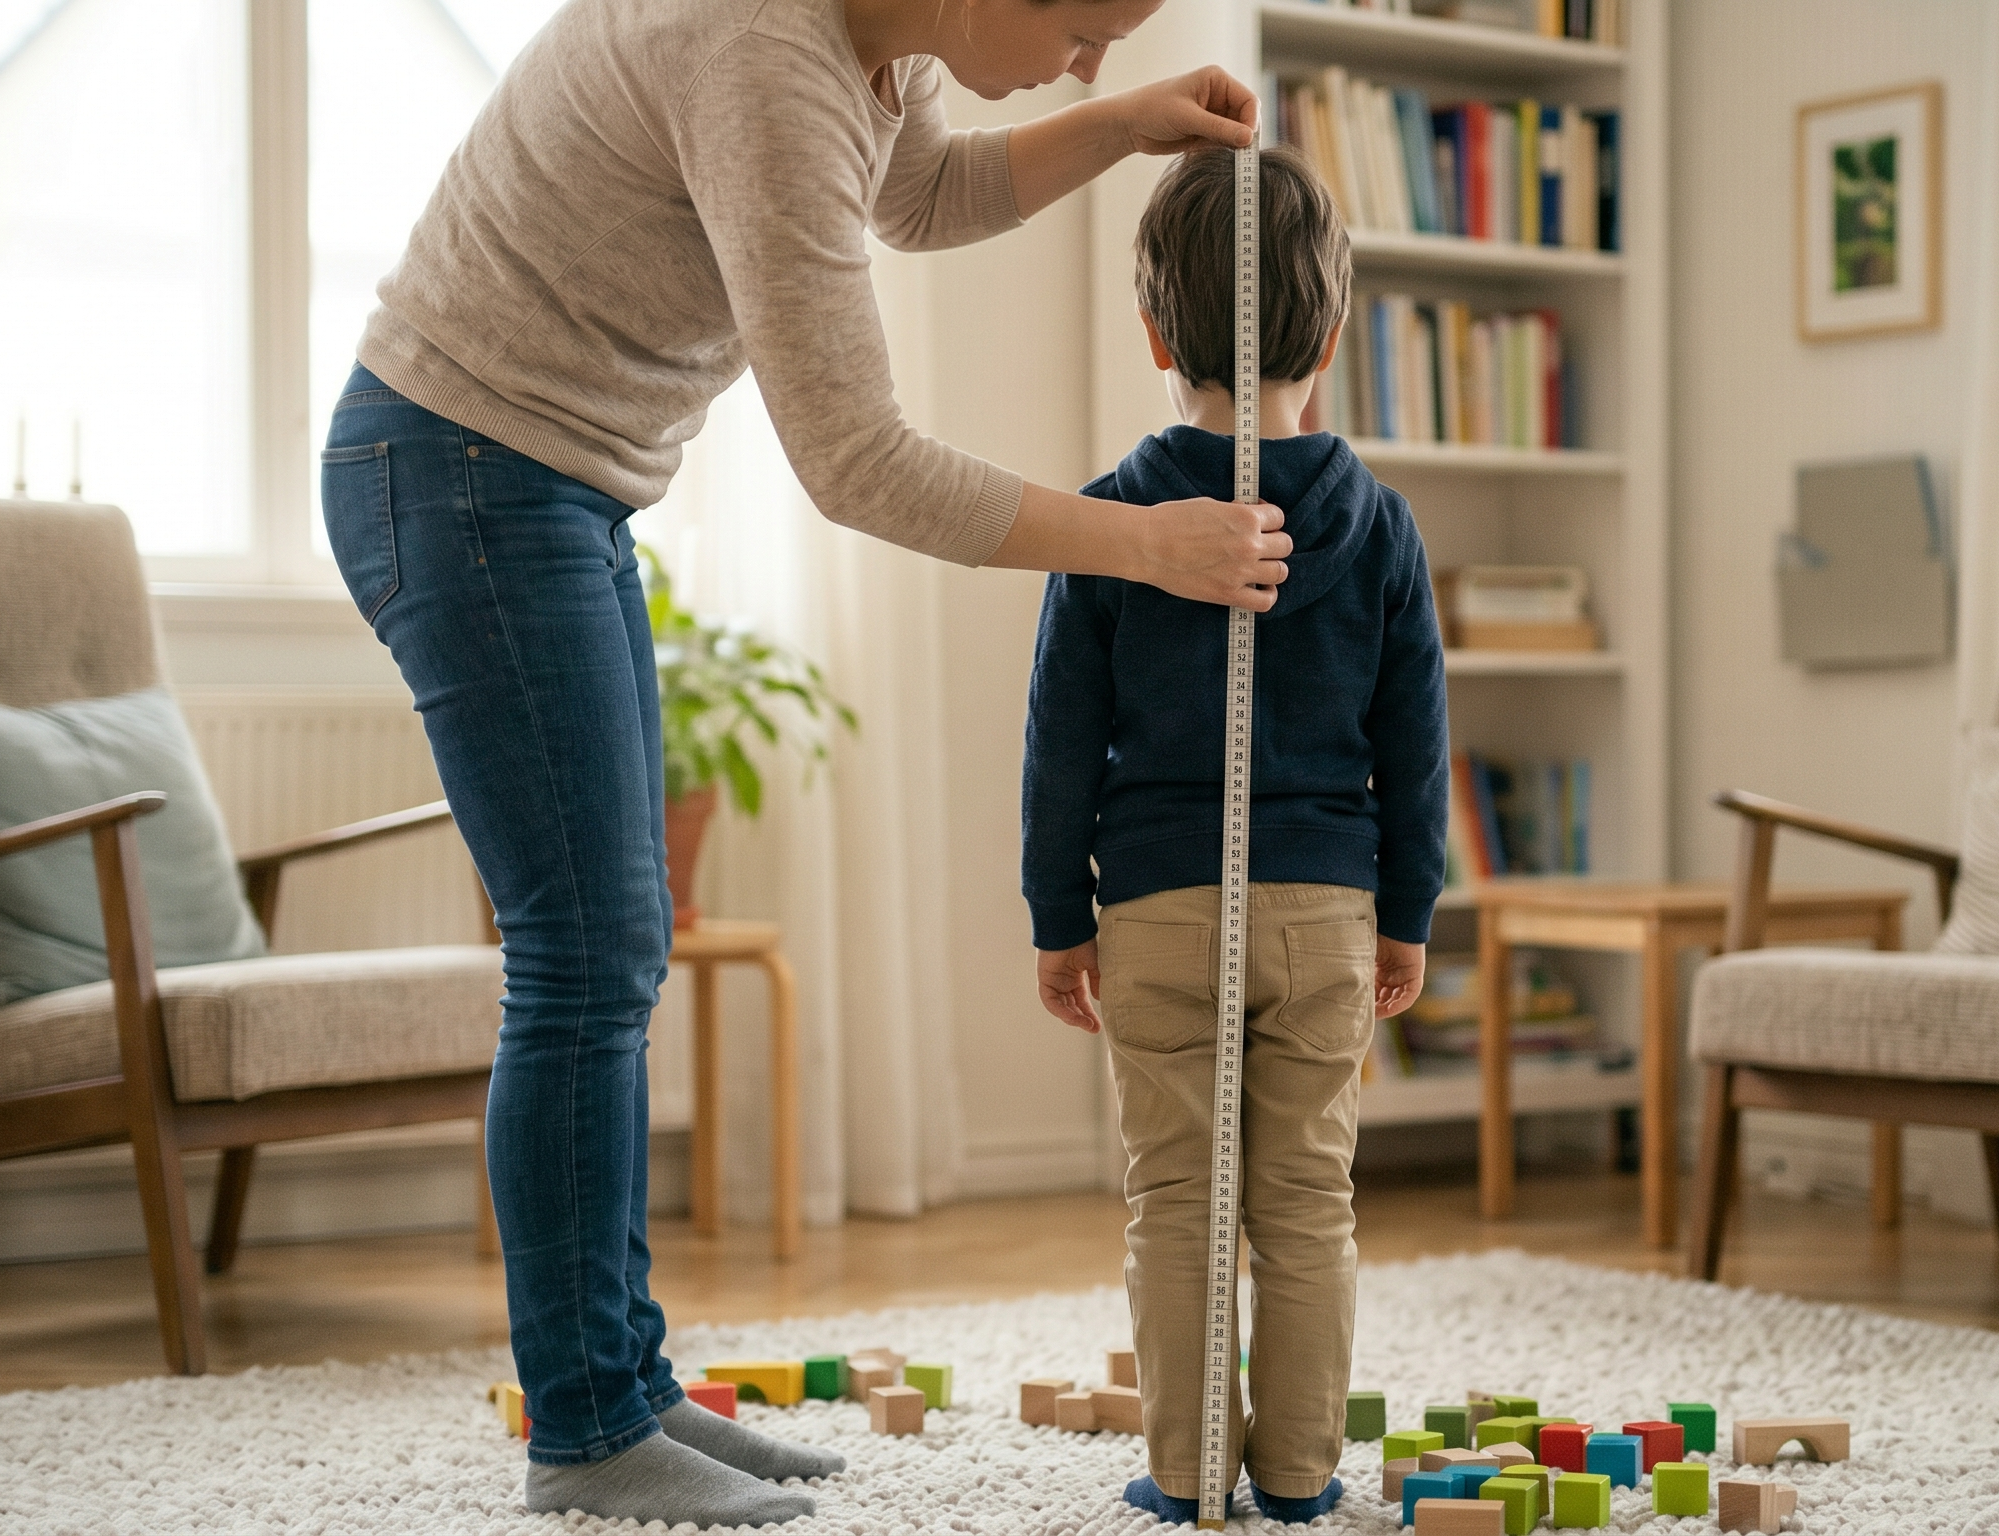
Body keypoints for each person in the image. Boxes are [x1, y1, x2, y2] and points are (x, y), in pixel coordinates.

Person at [320, 0, 1283, 1526]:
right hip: (462, 467)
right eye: (1088, 31)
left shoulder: (878, 43)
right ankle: (585, 1434)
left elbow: (912, 194)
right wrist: (1140, 547)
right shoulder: (762, 53)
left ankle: (625, 1395)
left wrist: (1126, 121)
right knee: (586, 958)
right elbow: (857, 463)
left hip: (546, 483)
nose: (1089, 60)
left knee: (608, 953)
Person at [1019, 145, 1449, 1525]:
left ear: (1153, 334)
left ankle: (1189, 1467)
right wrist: (1407, 916)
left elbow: (1058, 743)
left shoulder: (1106, 522)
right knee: (1308, 1201)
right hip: (1324, 911)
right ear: (1329, 336)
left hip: (1152, 913)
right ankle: (1303, 1477)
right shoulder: (1381, 529)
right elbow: (1416, 748)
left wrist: (1055, 918)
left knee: (1176, 1201)